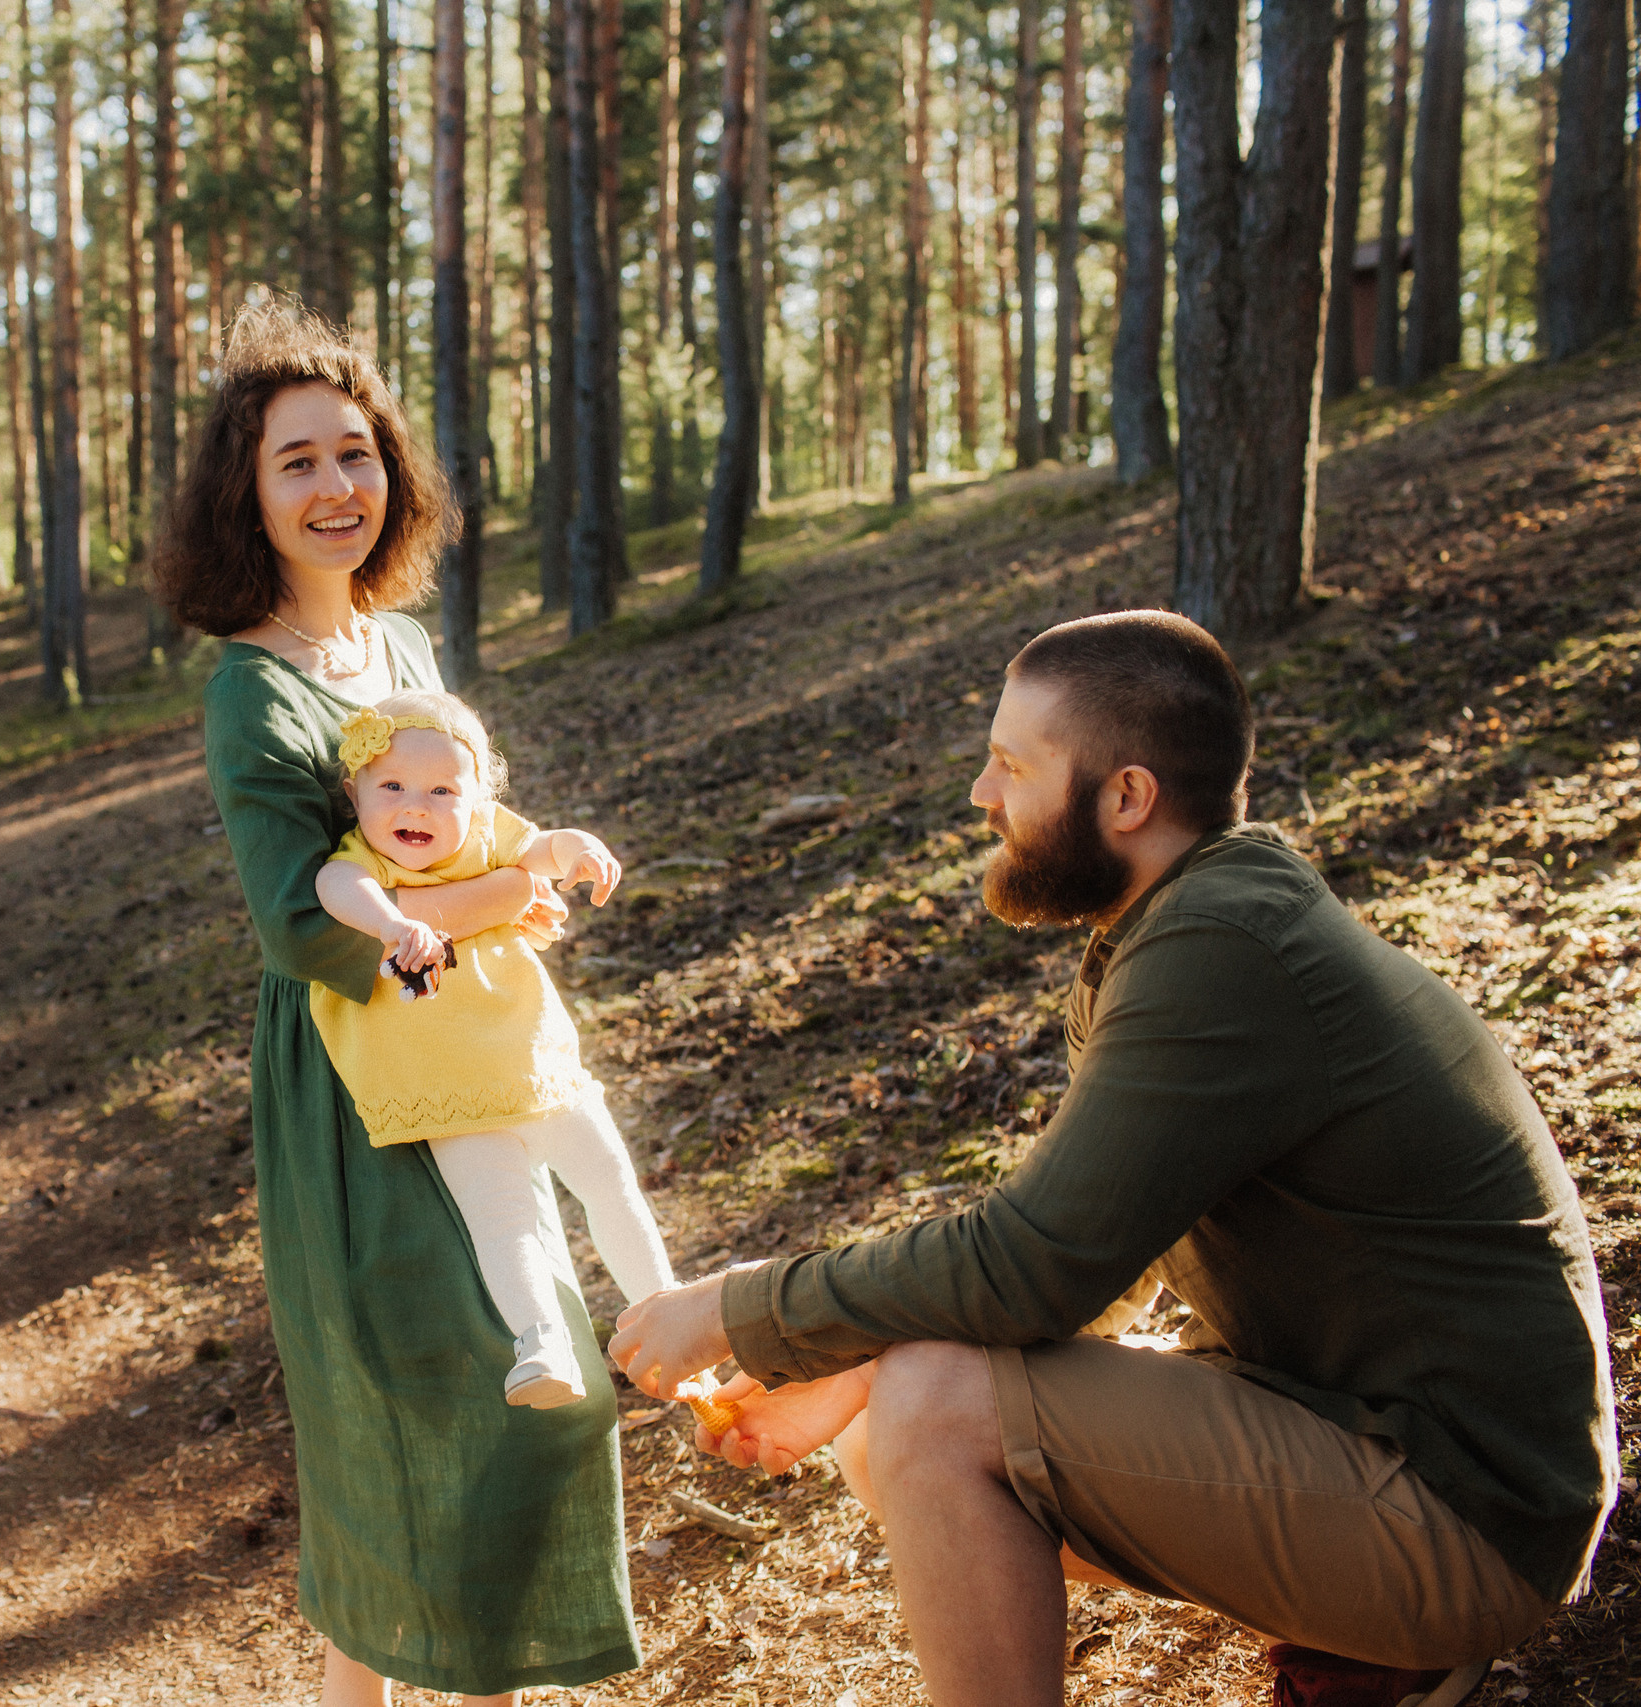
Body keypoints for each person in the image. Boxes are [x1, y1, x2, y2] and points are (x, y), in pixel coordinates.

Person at [608, 610, 1615, 1707]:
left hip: (1469, 1511)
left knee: (938, 1409)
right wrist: (839, 1366)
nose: (981, 798)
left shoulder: (1219, 949)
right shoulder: (1191, 919)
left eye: (1010, 766)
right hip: (1395, 1452)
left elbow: (1035, 1262)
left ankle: (1395, 1626)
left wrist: (741, 1309)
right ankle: (1375, 1645)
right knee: (890, 1411)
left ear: (1125, 797)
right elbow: (1103, 1250)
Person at [157, 300, 642, 1707]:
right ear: (246, 493)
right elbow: (302, 921)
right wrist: (503, 902)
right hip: (354, 1079)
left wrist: (526, 863)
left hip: (481, 1054)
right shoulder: (254, 692)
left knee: (512, 1385)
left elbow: (461, 825)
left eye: (355, 453)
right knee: (428, 1404)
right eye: (296, 462)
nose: (333, 488)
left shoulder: (409, 650)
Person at [312, 688, 676, 1408]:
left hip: (530, 1055)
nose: (415, 806)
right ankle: (541, 1344)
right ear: (354, 795)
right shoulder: (362, 866)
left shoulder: (485, 837)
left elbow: (537, 847)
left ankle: (667, 1312)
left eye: (443, 790)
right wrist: (391, 924)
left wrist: (572, 847)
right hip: (451, 1089)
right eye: (392, 787)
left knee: (607, 1178)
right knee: (502, 1221)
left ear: (477, 797)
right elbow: (334, 886)